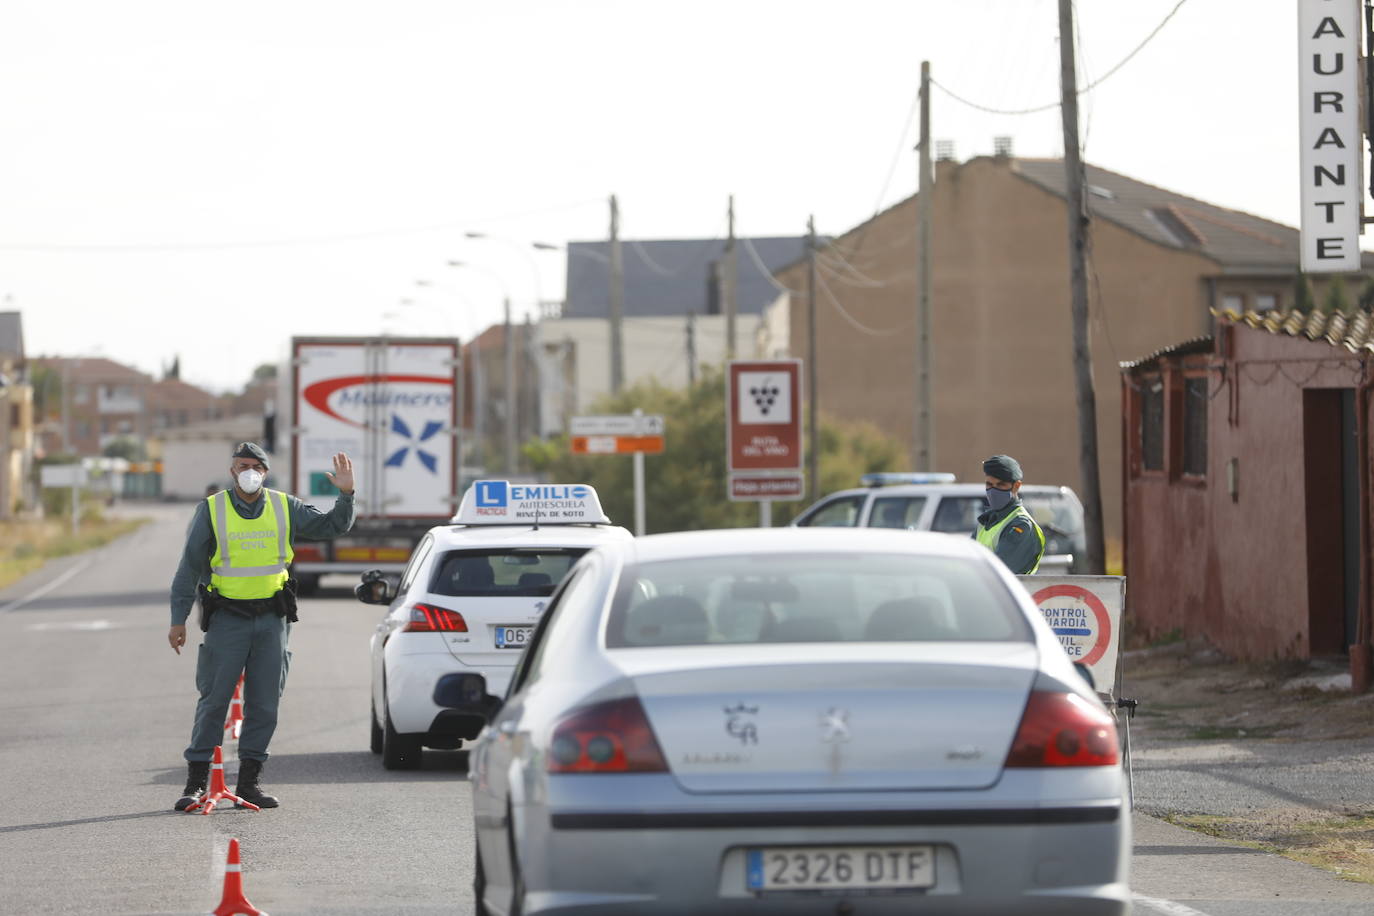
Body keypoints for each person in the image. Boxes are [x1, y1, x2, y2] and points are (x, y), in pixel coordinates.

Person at [167, 442, 356, 811]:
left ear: (265, 471)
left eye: (256, 465)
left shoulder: (285, 506)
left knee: (265, 703)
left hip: (272, 619)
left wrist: (347, 494)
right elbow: (188, 567)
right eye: (242, 465)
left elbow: (332, 526)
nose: (249, 471)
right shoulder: (211, 510)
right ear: (232, 470)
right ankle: (195, 784)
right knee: (214, 701)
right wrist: (178, 619)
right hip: (227, 620)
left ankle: (250, 783)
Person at [974, 454, 1045, 575]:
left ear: (1016, 486)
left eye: (1001, 485)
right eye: (989, 485)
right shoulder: (987, 521)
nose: (993, 491)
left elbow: (998, 571)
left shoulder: (1021, 525)